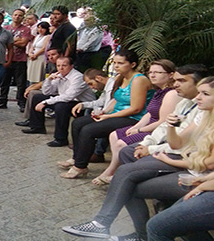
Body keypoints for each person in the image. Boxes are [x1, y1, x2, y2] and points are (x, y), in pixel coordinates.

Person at [62, 76, 214, 241]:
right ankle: (124, 230)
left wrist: (167, 159)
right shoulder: (201, 113)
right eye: (199, 93)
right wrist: (171, 127)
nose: (198, 97)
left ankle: (106, 225)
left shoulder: (182, 102)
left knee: (130, 182)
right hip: (191, 166)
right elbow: (176, 143)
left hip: (196, 173)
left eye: (204, 94)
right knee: (128, 180)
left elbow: (208, 162)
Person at [59, 49, 153, 178]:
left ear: (132, 64)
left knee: (89, 130)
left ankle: (80, 167)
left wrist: (108, 116)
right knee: (78, 123)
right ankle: (77, 157)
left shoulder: (138, 80)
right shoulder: (120, 78)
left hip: (133, 118)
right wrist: (104, 112)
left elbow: (136, 108)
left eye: (120, 63)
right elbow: (116, 99)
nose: (116, 66)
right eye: (114, 63)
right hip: (117, 114)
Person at [92, 59, 179, 185]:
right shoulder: (159, 91)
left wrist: (139, 130)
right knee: (114, 135)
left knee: (122, 143)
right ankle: (114, 169)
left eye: (158, 72)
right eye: (151, 72)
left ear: (170, 74)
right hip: (148, 126)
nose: (152, 75)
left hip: (157, 131)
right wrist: (136, 127)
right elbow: (149, 113)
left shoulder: (171, 94)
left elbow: (162, 122)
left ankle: (117, 173)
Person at [117, 64, 208, 165]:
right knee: (127, 151)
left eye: (182, 81)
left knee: (129, 169)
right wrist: (146, 143)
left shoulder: (204, 108)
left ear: (200, 84)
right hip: (166, 144)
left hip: (182, 153)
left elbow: (184, 142)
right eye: (175, 81)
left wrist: (150, 149)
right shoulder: (184, 102)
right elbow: (164, 126)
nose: (175, 85)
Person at [21, 57, 95, 147]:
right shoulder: (59, 75)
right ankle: (37, 126)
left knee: (61, 106)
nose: (61, 68)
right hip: (67, 100)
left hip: (82, 104)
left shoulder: (78, 77)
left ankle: (61, 139)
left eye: (64, 65)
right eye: (58, 65)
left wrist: (45, 102)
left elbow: (68, 97)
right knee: (37, 97)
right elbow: (47, 92)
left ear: (71, 66)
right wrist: (48, 80)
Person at [0, 9, 33, 111]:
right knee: (4, 81)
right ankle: (2, 100)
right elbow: (0, 42)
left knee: (21, 83)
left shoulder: (26, 29)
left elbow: (23, 43)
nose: (17, 17)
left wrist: (10, 41)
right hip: (6, 59)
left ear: (23, 17)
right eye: (15, 15)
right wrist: (15, 40)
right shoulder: (6, 28)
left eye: (20, 15)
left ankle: (21, 102)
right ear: (12, 16)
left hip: (20, 59)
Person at [15, 48, 63, 126]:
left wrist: (32, 87)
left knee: (34, 94)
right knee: (32, 92)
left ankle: (33, 121)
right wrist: (32, 86)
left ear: (61, 55)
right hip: (50, 88)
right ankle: (31, 119)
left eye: (53, 55)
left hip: (59, 91)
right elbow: (46, 80)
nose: (51, 57)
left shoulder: (61, 65)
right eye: (49, 55)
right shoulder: (49, 64)